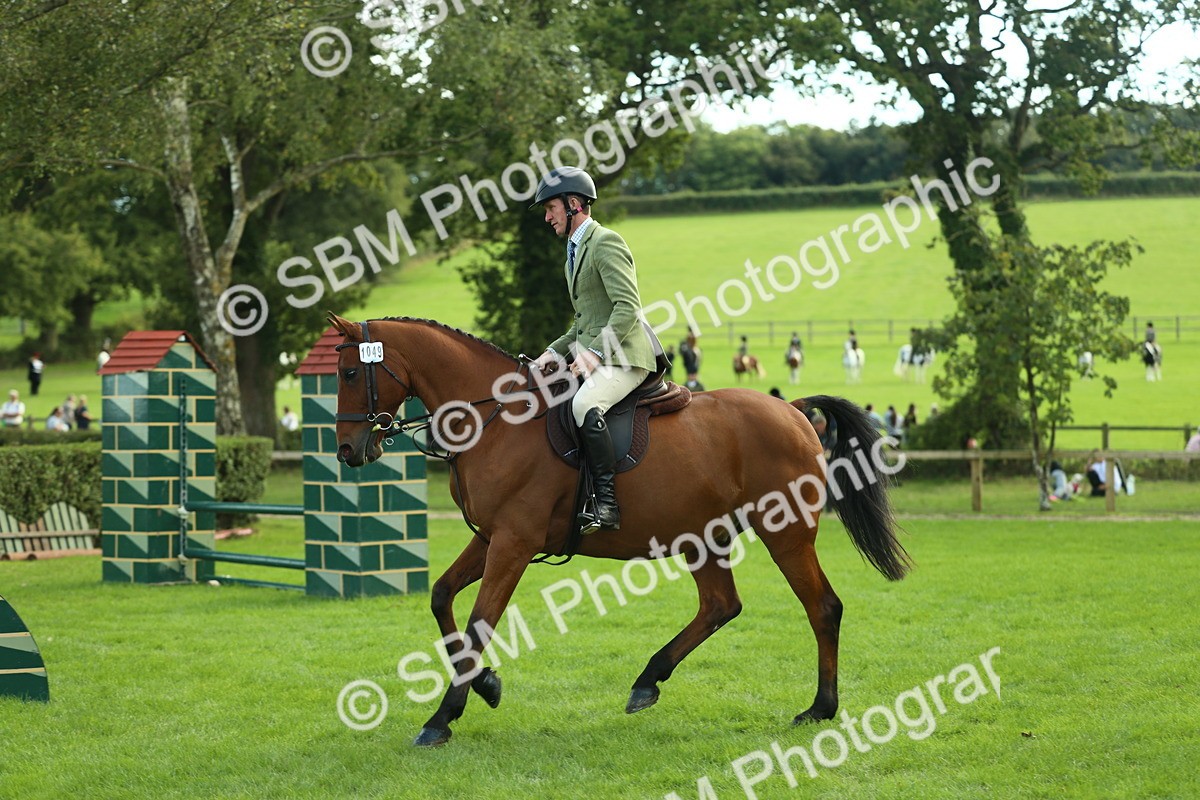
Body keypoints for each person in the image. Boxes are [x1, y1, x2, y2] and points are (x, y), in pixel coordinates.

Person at [529, 166, 657, 534]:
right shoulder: (574, 252)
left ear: (573, 205)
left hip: (627, 355)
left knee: (584, 404)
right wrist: (552, 354)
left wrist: (596, 353)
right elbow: (584, 322)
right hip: (598, 354)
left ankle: (606, 504)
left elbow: (627, 307)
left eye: (550, 208)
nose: (547, 216)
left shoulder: (605, 241)